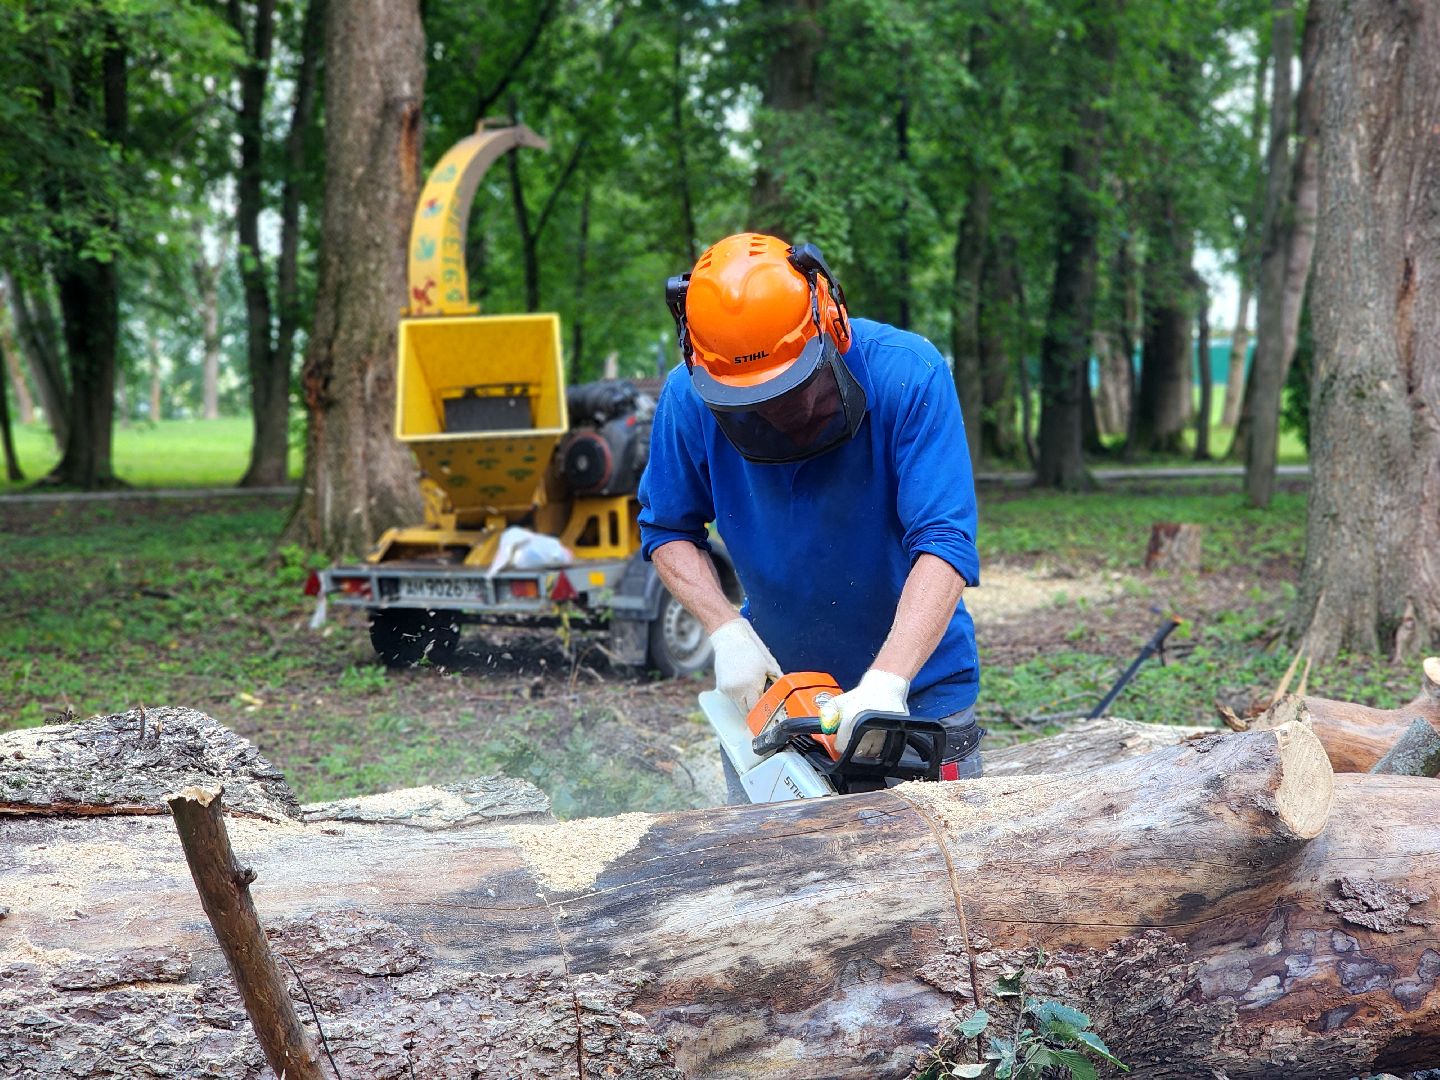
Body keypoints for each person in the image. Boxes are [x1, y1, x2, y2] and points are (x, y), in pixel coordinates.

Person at [638, 232, 981, 777]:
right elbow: (666, 528)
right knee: (767, 863)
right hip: (777, 698)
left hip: (918, 699)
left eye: (794, 388)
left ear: (832, 324)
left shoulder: (909, 375)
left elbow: (944, 542)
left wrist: (889, 680)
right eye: (752, 401)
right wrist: (725, 629)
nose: (778, 413)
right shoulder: (689, 396)